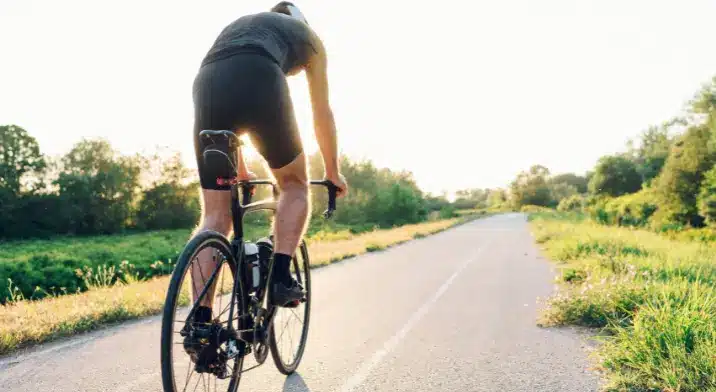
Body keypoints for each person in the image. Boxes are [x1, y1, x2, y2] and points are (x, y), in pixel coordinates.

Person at [190, 1, 348, 319]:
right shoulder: (310, 39)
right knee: (294, 185)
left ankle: (200, 321)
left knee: (216, 218)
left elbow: (234, 115)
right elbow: (321, 112)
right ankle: (279, 278)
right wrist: (333, 170)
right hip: (260, 75)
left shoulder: (244, 27)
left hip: (207, 81)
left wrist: (241, 170)